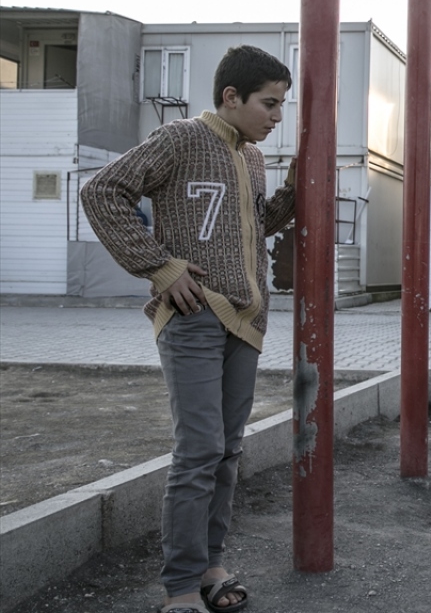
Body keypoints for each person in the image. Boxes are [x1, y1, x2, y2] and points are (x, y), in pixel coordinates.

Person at [80, 45, 296, 613]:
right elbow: (101, 191)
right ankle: (179, 589)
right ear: (231, 96)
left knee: (227, 451)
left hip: (247, 321)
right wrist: (159, 266)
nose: (278, 116)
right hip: (194, 315)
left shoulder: (253, 158)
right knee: (198, 450)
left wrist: (294, 194)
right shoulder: (181, 138)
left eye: (282, 105)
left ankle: (210, 565)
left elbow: (252, 226)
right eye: (269, 104)